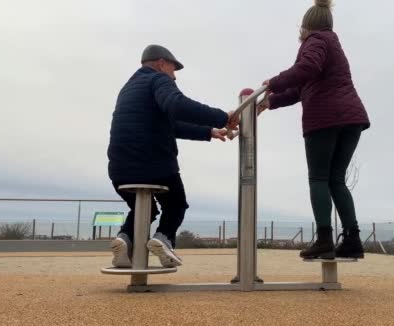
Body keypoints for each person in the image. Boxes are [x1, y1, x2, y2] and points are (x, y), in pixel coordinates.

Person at [107, 44, 238, 268]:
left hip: (119, 168)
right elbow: (177, 105)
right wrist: (222, 117)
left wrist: (208, 132)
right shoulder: (158, 80)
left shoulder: (129, 88)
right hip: (153, 164)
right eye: (173, 69)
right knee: (176, 204)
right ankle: (163, 239)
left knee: (143, 209)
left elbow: (170, 125)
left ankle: (124, 240)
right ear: (161, 63)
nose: (174, 76)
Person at [259, 0, 370, 259]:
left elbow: (306, 69)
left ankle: (324, 239)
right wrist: (271, 102)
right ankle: (353, 239)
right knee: (336, 179)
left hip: (325, 118)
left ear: (306, 26)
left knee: (318, 178)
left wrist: (273, 83)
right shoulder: (333, 45)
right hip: (351, 117)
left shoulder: (316, 40)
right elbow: (301, 88)